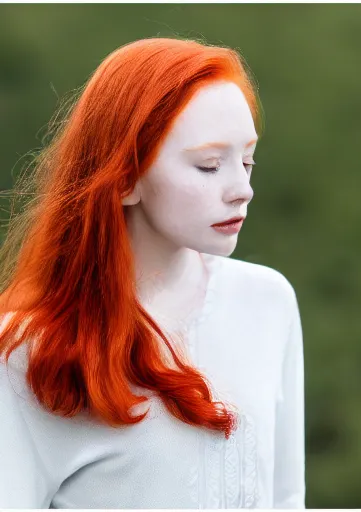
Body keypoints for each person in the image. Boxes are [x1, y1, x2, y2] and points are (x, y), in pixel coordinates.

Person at [0, 37, 305, 509]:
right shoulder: (26, 351)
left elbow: (287, 498)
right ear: (124, 177)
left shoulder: (267, 301)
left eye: (247, 161)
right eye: (209, 165)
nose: (242, 189)